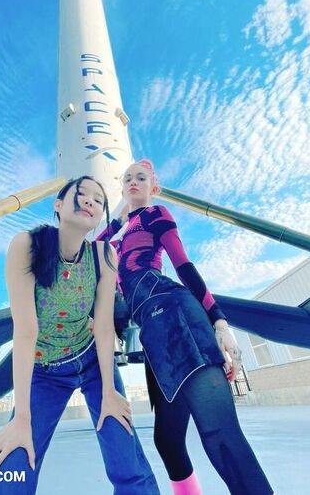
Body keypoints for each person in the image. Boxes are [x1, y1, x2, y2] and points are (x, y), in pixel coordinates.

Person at [97, 160, 274, 495]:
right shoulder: (117, 237)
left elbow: (184, 266)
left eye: (141, 178)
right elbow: (92, 247)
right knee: (167, 440)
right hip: (152, 332)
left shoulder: (156, 214)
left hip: (175, 314)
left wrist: (219, 321)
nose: (133, 182)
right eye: (128, 178)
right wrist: (119, 216)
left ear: (154, 187)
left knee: (219, 433)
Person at [0, 175, 160, 494]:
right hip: (44, 370)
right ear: (59, 204)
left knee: (126, 458)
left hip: (93, 360)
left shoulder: (104, 255)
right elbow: (25, 331)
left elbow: (103, 327)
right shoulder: (27, 246)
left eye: (99, 200)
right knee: (12, 465)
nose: (91, 200)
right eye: (82, 193)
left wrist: (109, 392)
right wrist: (21, 418)